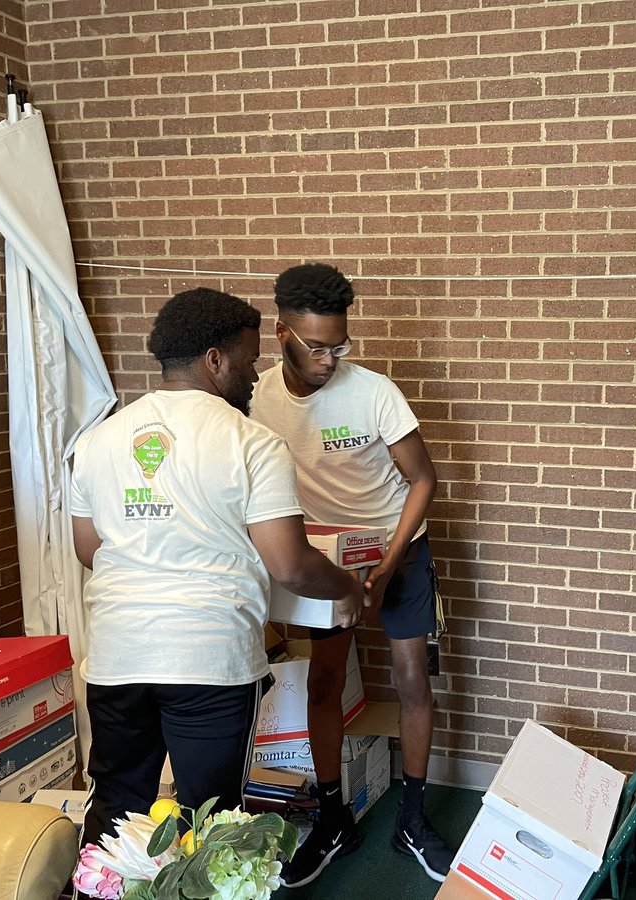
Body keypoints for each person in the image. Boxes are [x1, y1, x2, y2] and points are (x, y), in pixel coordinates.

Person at [70, 287, 367, 849]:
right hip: (208, 660)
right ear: (215, 359)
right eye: (251, 360)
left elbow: (90, 550)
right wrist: (347, 588)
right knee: (209, 819)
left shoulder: (97, 441)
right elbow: (291, 565)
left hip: (117, 655)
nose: (256, 376)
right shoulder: (253, 443)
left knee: (116, 808)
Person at [249, 263, 453, 886]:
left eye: (340, 344)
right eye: (316, 346)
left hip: (396, 547)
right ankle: (334, 815)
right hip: (323, 557)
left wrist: (390, 565)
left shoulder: (374, 392)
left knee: (412, 675)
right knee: (323, 682)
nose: (330, 358)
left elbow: (424, 480)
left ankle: (413, 819)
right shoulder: (258, 397)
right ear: (280, 330)